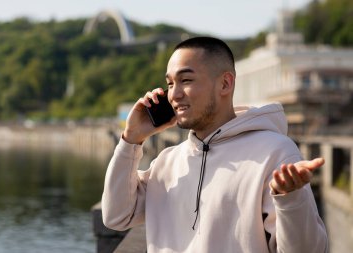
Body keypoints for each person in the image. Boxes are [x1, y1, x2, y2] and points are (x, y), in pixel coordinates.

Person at [101, 37, 328, 253]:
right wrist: (131, 139)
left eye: (186, 80)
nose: (174, 94)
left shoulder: (275, 152)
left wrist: (291, 200)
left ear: (225, 83)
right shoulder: (166, 161)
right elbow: (116, 216)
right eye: (170, 83)